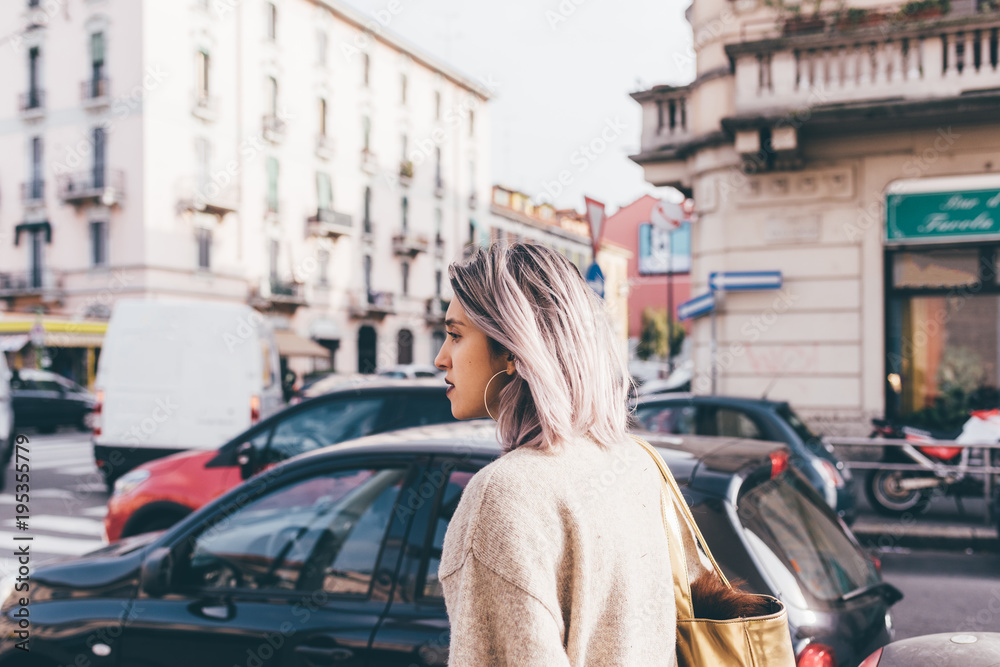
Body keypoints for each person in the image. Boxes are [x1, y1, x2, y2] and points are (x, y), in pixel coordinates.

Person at [433, 243, 709, 666]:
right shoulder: (635, 461)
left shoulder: (504, 495)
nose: (440, 359)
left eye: (454, 335)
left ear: (512, 349)